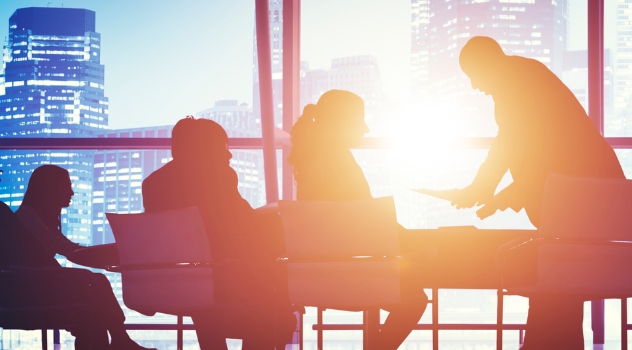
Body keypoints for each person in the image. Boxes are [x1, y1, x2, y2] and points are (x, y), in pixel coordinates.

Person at [449, 36, 625, 350]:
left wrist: (483, 189)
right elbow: (546, 154)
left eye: (473, 76)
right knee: (559, 285)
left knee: (555, 280)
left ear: (487, 64)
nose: (475, 86)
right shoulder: (525, 77)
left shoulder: (514, 87)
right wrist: (492, 193)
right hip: (593, 196)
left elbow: (515, 147)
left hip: (578, 200)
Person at [287, 90, 427, 350]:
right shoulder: (339, 162)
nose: (366, 127)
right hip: (348, 277)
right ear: (342, 122)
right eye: (359, 119)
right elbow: (369, 220)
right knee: (415, 299)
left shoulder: (310, 162)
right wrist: (416, 241)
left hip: (318, 276)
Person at [142, 117, 294, 350]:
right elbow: (242, 223)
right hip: (223, 277)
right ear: (207, 149)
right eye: (223, 147)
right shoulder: (219, 177)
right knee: (271, 308)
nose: (229, 155)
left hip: (175, 280)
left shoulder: (152, 183)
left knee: (222, 303)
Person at [6, 165, 152, 350]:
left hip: (33, 286)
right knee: (96, 282)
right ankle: (120, 338)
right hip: (28, 291)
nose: (72, 192)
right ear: (49, 188)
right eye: (66, 186)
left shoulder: (35, 218)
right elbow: (69, 250)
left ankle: (120, 338)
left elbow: (70, 251)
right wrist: (116, 253)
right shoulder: (28, 218)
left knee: (91, 314)